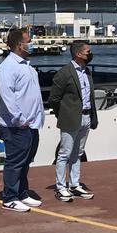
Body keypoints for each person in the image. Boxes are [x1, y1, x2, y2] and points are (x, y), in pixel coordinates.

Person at [0, 27, 44, 212]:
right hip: (16, 125)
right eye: (28, 41)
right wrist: (19, 119)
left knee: (25, 161)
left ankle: (22, 192)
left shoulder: (26, 65)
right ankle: (10, 197)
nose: (31, 44)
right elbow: (7, 96)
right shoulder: (8, 67)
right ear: (19, 45)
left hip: (32, 123)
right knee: (14, 162)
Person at [48, 41, 97, 201]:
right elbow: (54, 98)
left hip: (86, 117)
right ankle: (61, 187)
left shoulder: (87, 71)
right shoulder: (64, 73)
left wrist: (92, 117)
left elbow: (90, 96)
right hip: (70, 119)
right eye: (88, 52)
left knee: (78, 153)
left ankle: (74, 184)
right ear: (78, 54)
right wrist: (63, 114)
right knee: (64, 154)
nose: (90, 54)